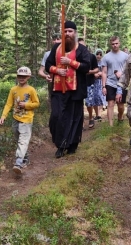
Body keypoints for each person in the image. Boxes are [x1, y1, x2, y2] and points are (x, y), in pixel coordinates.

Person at [45, 20, 91, 157]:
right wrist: (57, 70)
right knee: (56, 117)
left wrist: (70, 62)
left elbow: (86, 67)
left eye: (70, 31)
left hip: (76, 90)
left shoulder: (82, 50)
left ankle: (70, 145)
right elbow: (48, 65)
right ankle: (59, 142)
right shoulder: (56, 48)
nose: (67, 34)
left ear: (75, 33)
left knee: (74, 118)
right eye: (65, 31)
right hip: (58, 89)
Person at [0, 66, 40, 175]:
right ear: (17, 77)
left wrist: (26, 105)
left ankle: (18, 162)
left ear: (28, 77)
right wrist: (3, 116)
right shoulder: (13, 90)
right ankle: (25, 158)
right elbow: (9, 103)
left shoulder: (31, 90)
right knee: (19, 140)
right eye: (19, 76)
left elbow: (36, 103)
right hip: (15, 119)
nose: (21, 78)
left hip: (26, 120)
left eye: (24, 76)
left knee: (23, 141)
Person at [101, 36, 128, 127]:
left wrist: (122, 74)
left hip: (122, 83)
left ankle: (120, 116)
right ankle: (110, 125)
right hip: (110, 83)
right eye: (113, 44)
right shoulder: (106, 57)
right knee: (110, 103)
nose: (115, 45)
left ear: (119, 43)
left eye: (116, 43)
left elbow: (129, 70)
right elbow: (104, 72)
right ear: (110, 44)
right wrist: (104, 86)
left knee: (120, 105)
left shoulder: (125, 56)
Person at [38, 32, 62, 111]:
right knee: (55, 106)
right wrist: (46, 76)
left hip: (66, 82)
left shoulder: (67, 52)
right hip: (53, 83)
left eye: (58, 39)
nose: (56, 41)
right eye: (54, 39)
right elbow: (40, 71)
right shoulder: (47, 54)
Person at [83, 42, 101, 129]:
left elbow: (96, 69)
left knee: (89, 104)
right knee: (78, 104)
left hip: (89, 83)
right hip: (77, 84)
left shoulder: (91, 56)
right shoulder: (74, 57)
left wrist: (90, 72)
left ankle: (90, 117)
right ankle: (81, 122)